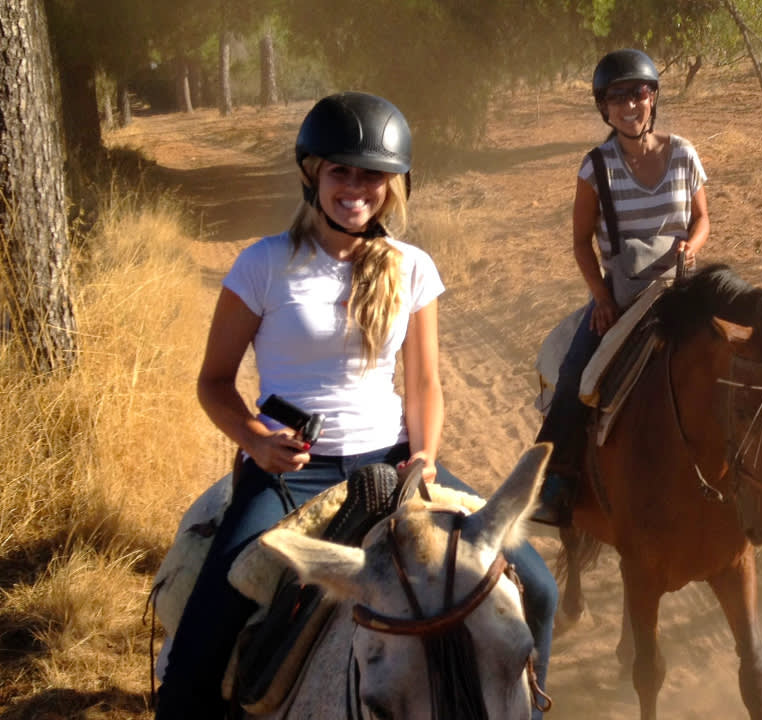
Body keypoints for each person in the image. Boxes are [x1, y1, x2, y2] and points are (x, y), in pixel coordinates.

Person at [155, 92, 557, 720]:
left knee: (539, 586)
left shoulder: (412, 267)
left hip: (393, 462)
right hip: (290, 473)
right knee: (201, 642)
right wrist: (256, 441)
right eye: (341, 171)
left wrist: (425, 455)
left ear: (393, 186)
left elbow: (424, 383)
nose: (356, 188)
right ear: (312, 175)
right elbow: (214, 382)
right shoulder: (263, 264)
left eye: (372, 175)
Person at [531, 49, 710, 526]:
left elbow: (703, 219)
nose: (630, 105)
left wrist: (691, 245)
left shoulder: (684, 153)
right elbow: (580, 242)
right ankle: (555, 482)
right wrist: (602, 299)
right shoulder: (596, 168)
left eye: (639, 93)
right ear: (604, 108)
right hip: (625, 294)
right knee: (575, 377)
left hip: (681, 287)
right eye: (617, 98)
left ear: (653, 97)